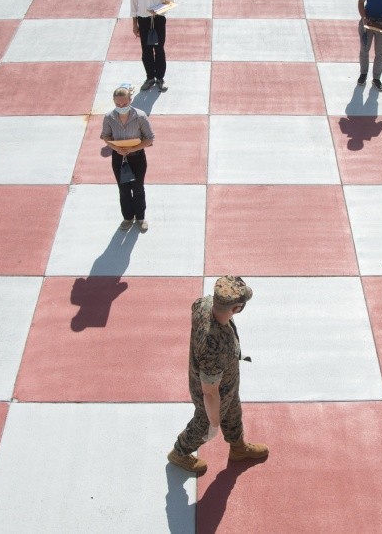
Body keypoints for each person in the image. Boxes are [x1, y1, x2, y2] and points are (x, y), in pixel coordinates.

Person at [167, 276, 268, 476]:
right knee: (203, 425)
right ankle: (180, 452)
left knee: (233, 412)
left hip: (226, 383)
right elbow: (210, 393)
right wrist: (213, 423)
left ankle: (238, 447)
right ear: (236, 309)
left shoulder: (203, 304)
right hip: (214, 392)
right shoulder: (214, 346)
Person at [100, 86, 154, 232]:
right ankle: (128, 217)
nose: (121, 107)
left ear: (130, 100)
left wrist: (133, 149)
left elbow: (149, 139)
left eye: (124, 104)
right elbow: (105, 135)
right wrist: (115, 148)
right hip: (119, 158)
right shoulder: (109, 117)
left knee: (138, 188)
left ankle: (140, 217)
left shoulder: (140, 116)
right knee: (123, 189)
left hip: (137, 158)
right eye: (118, 104)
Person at [129, 0, 173, 93]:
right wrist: (134, 24)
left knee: (159, 49)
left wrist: (158, 9)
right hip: (143, 20)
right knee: (146, 51)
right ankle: (149, 78)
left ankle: (160, 78)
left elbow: (169, 1)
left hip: (158, 19)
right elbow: (134, 4)